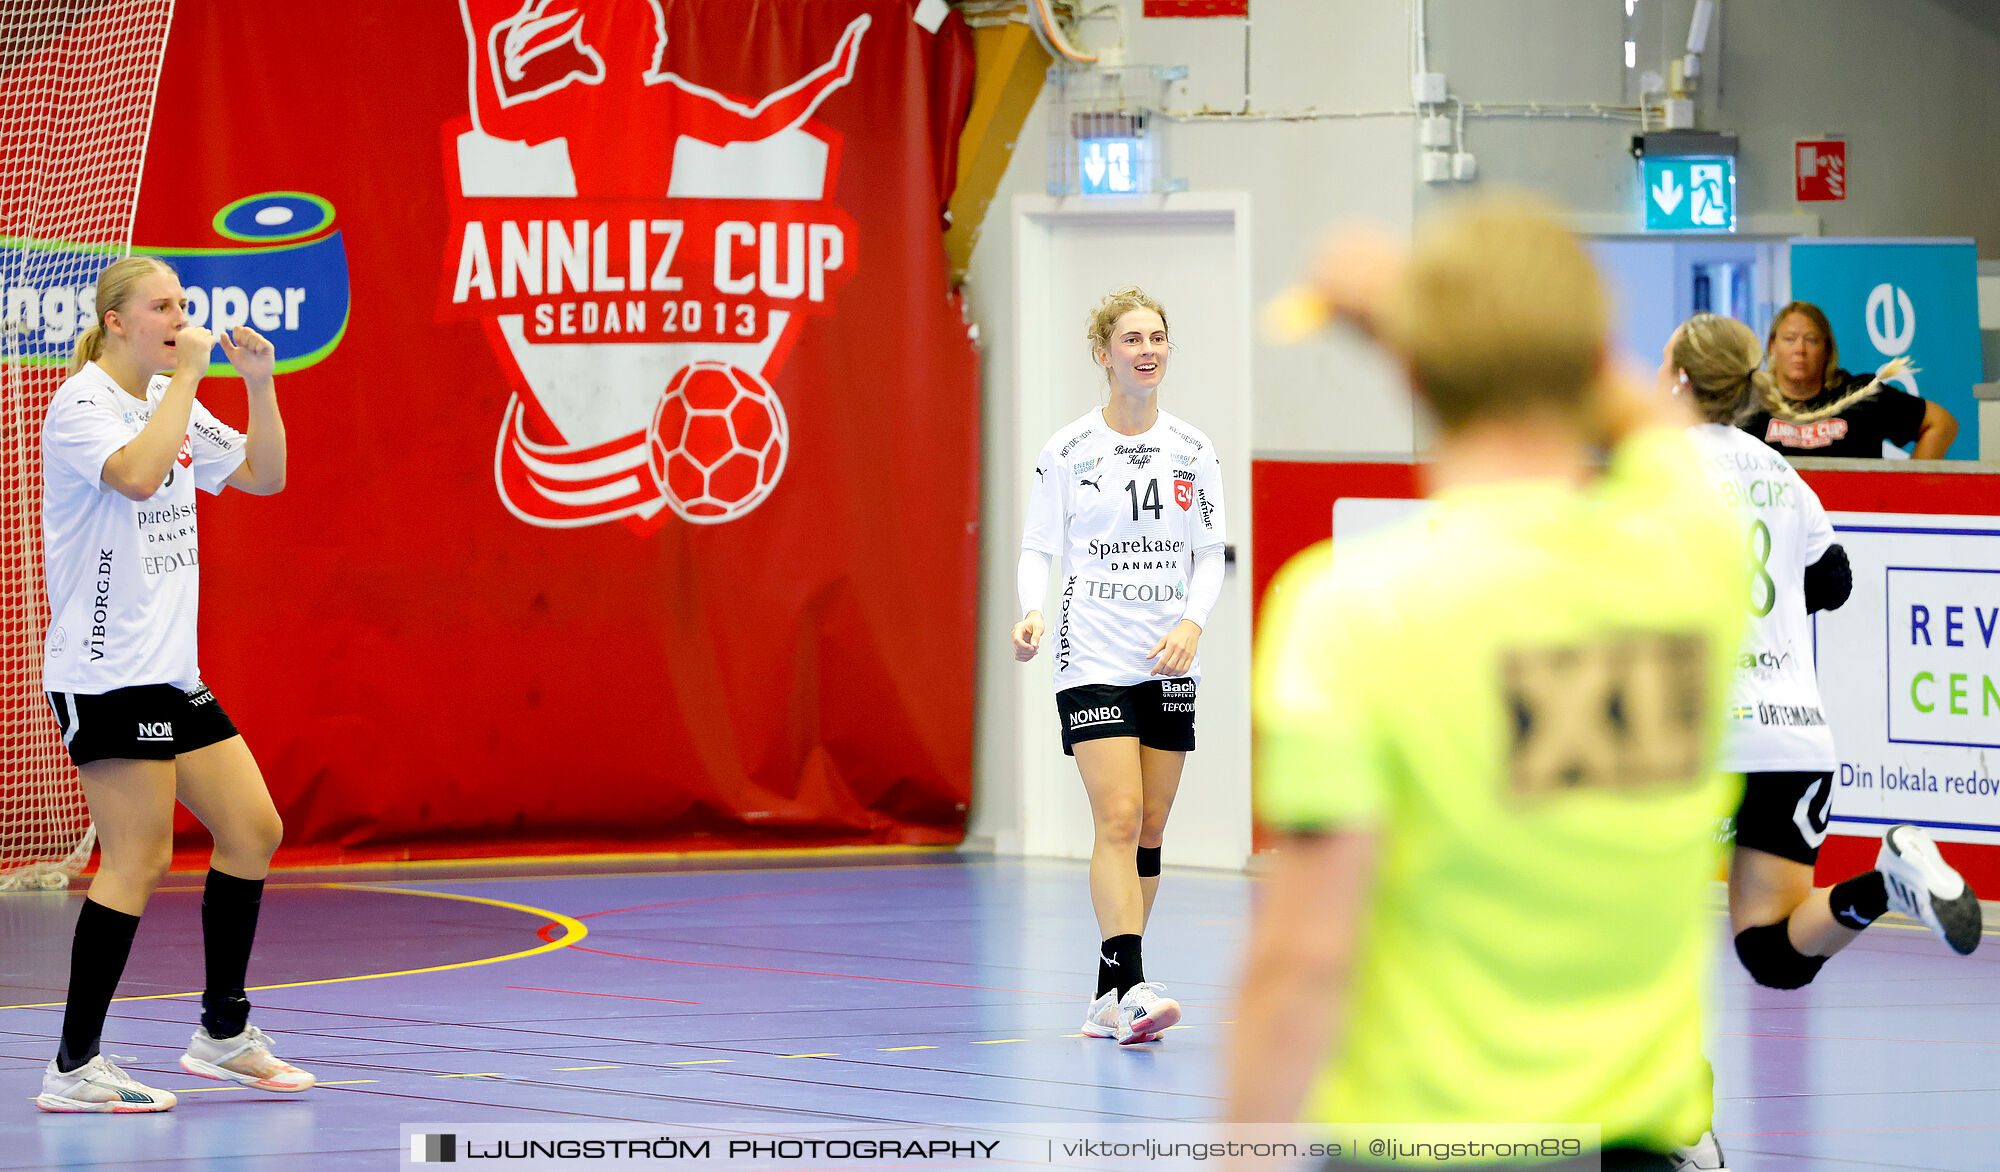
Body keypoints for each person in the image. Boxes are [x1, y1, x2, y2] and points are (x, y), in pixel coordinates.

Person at [1230, 195, 1744, 1170]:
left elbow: (1301, 959)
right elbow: (1645, 416)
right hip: (1635, 1140)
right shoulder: (1691, 554)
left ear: (1413, 373)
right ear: (1589, 357)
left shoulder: (1354, 610)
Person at [1661, 312, 1981, 1171]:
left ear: (1682, 383)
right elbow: (1833, 582)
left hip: (1693, 737)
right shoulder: (1778, 469)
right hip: (1794, 737)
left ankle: (1682, 1118)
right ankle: (1886, 882)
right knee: (1772, 951)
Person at [34, 256, 308, 1113]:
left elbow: (266, 477)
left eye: (183, 306)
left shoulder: (167, 399)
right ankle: (75, 1067)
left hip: (169, 674)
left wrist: (259, 385)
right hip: (105, 674)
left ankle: (222, 1033)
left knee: (254, 829)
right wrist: (187, 375)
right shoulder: (82, 403)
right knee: (141, 855)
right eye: (161, 306)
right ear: (117, 321)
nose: (178, 318)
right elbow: (139, 476)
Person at [1012, 286, 1227, 1045]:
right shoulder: (1068, 450)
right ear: (1104, 355)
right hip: (1092, 652)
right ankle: (1132, 984)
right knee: (1118, 814)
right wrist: (1032, 608)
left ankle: (1108, 997)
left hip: (1166, 657)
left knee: (1152, 826)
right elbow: (1038, 543)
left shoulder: (1194, 450)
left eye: (1157, 337)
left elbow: (1209, 555)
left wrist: (1193, 624)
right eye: (1131, 338)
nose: (1147, 350)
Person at [1736, 301, 1956, 459]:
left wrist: (1910, 492)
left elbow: (1941, 424)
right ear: (1772, 347)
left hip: (1852, 522)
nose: (1800, 350)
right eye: (1789, 339)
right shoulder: (1747, 402)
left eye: (1811, 340)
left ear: (1827, 350)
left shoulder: (1861, 395)